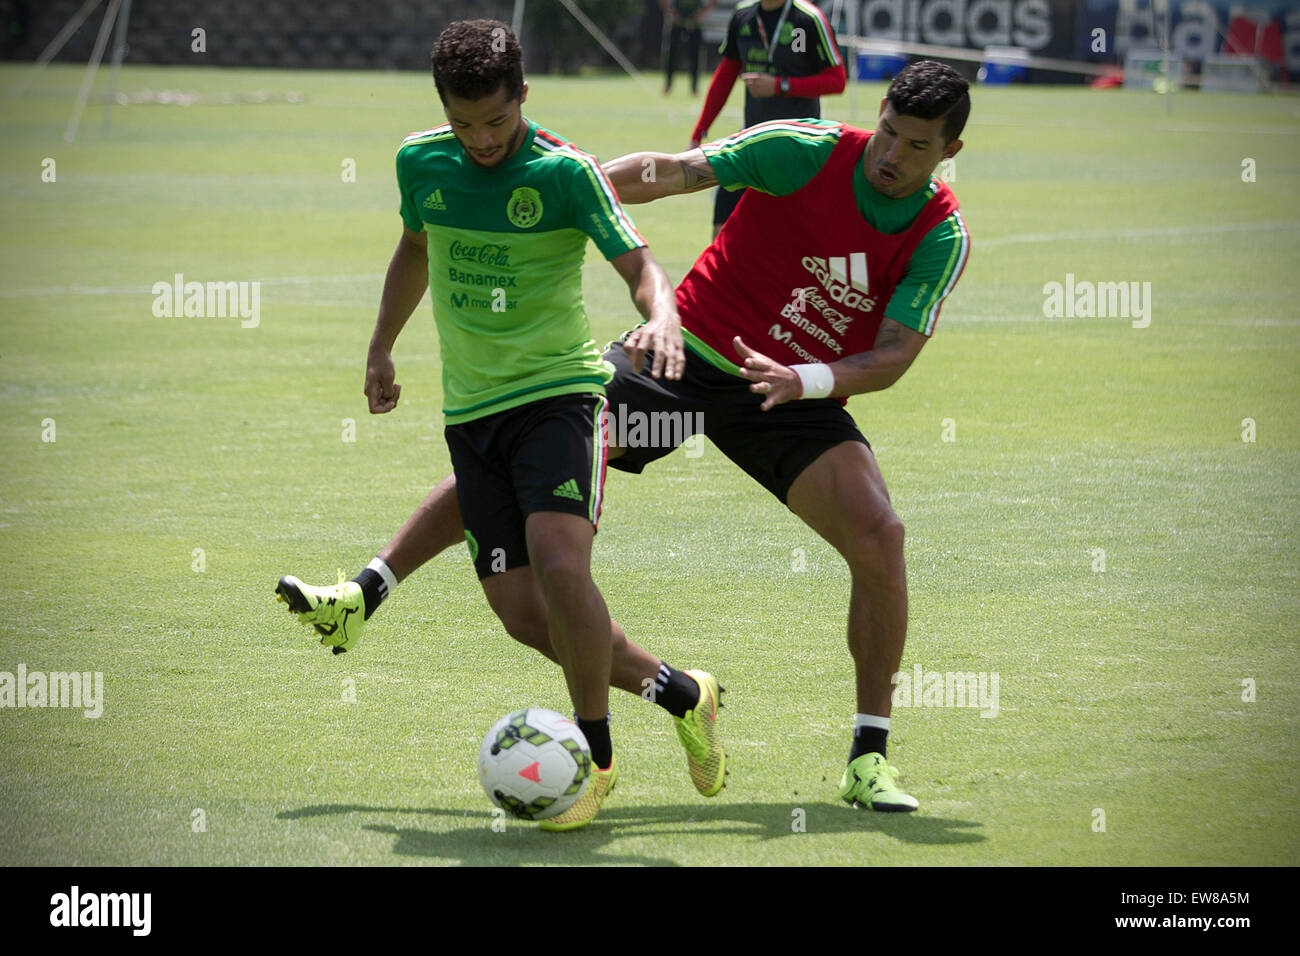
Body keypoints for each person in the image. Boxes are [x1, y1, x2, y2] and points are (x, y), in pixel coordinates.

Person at [281, 60, 972, 813]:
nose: (892, 156)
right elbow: (672, 171)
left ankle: (868, 760)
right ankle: (367, 590)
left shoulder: (940, 235)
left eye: (916, 146)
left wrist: (801, 379)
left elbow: (893, 355)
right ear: (878, 114)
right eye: (889, 133)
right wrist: (558, 190)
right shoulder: (805, 149)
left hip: (791, 392)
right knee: (527, 450)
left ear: (949, 151)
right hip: (676, 359)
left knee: (881, 535)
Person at [276, 19, 726, 832]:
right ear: (444, 109)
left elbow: (641, 265)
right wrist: (380, 347)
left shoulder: (567, 173)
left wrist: (660, 318)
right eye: (464, 124)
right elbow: (414, 248)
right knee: (526, 616)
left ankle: (599, 760)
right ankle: (684, 692)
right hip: (471, 411)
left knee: (561, 563)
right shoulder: (422, 161)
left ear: (523, 95)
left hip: (559, 398)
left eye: (496, 121)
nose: (482, 140)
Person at [691, 0, 846, 236]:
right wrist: (700, 130)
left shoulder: (808, 19)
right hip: (751, 140)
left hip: (797, 146)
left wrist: (780, 86)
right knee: (722, 226)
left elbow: (837, 80)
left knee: (788, 236)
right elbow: (726, 73)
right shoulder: (743, 15)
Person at [659, 0, 718, 96]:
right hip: (676, 24)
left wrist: (703, 12)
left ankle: (694, 88)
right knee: (671, 55)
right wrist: (670, 12)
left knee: (695, 56)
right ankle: (667, 85)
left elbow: (714, 1)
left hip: (696, 25)